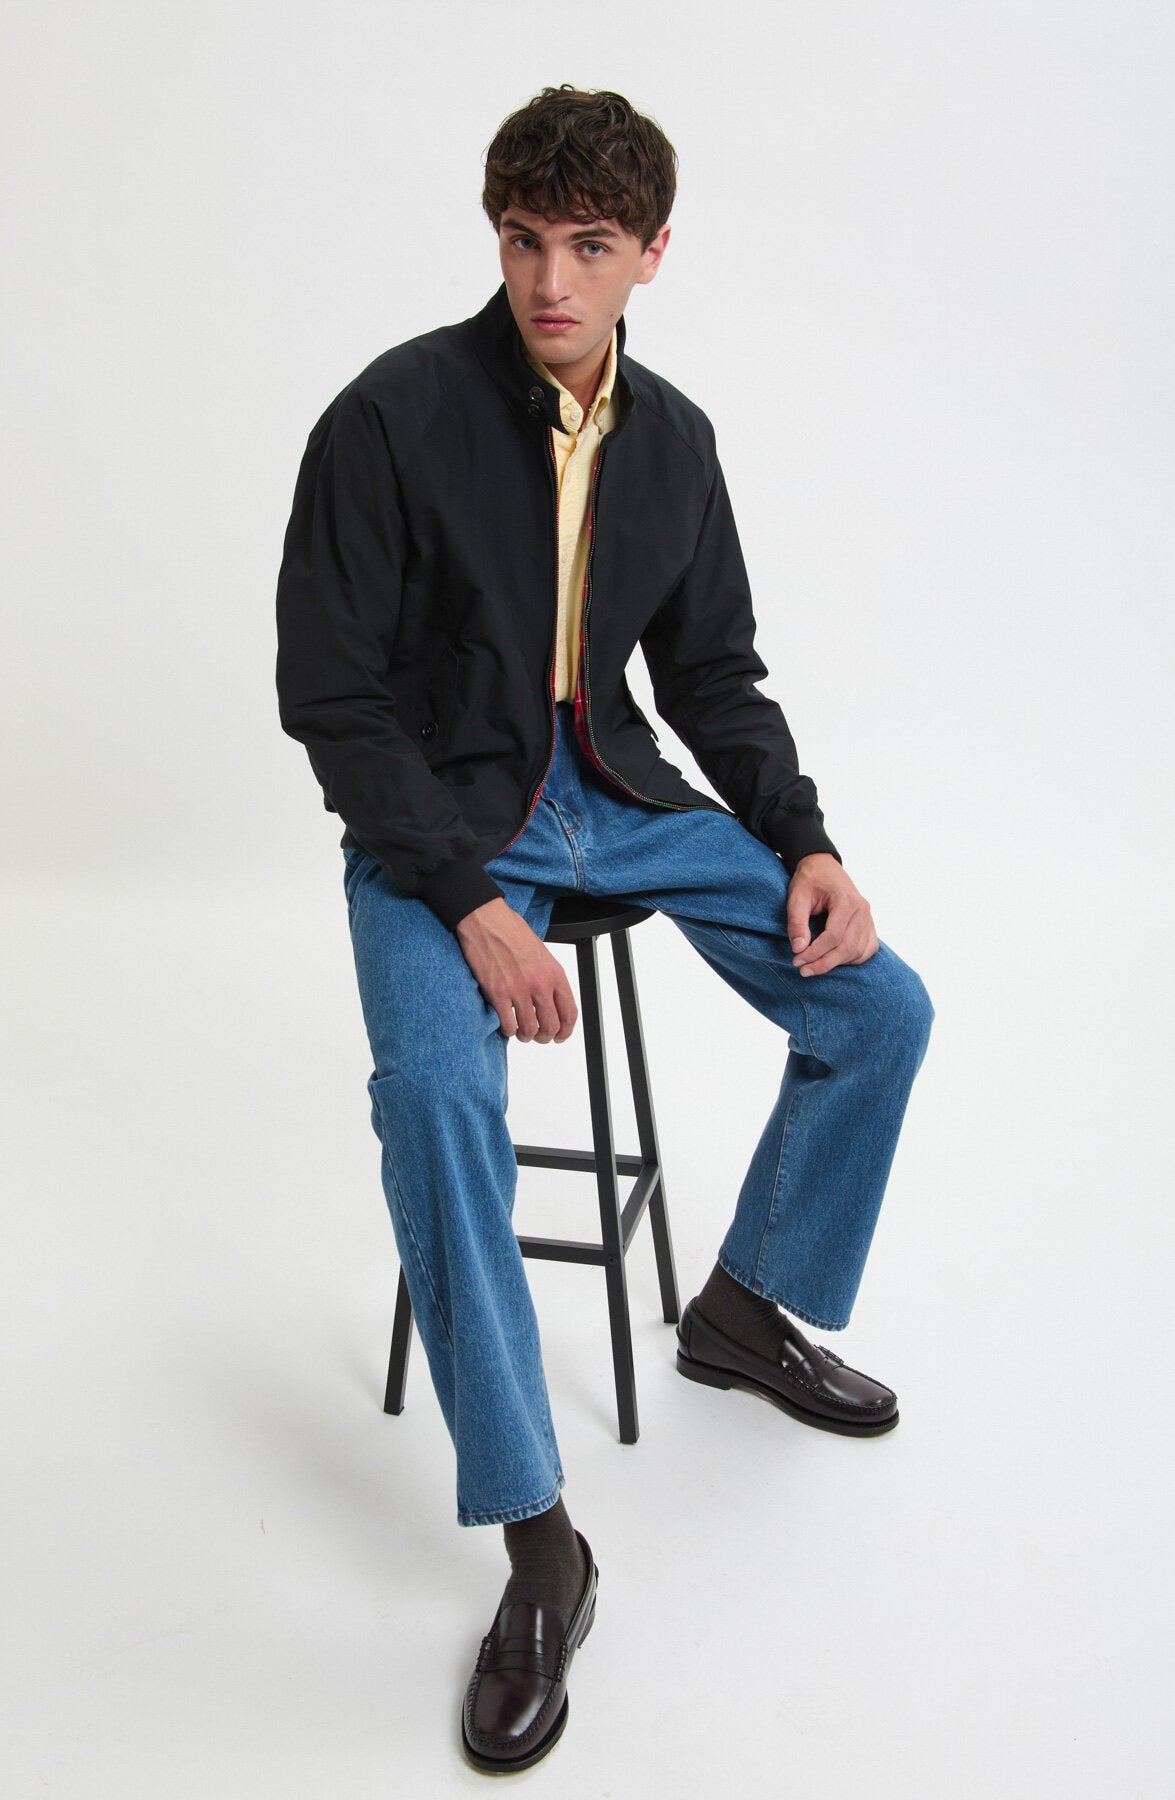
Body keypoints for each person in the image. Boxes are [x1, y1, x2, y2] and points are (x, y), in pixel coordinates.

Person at [275, 83, 934, 1774]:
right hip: (439, 824)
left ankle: (746, 1308)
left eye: (587, 245)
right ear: (493, 239)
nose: (550, 281)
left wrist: (807, 840)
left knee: (882, 1005)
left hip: (613, 795)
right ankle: (540, 1547)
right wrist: (465, 898)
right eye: (523, 241)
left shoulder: (678, 442)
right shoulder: (391, 417)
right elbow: (332, 697)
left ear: (652, 253)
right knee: (438, 1098)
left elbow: (713, 673)